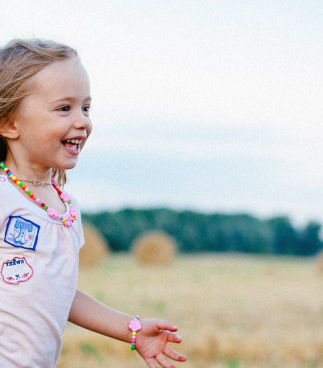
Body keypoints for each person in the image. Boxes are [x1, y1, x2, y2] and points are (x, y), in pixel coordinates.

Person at [0, 38, 187, 368]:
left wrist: (131, 329)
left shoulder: (66, 208)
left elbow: (58, 293)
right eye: (64, 108)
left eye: (86, 108)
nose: (83, 121)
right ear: (9, 123)